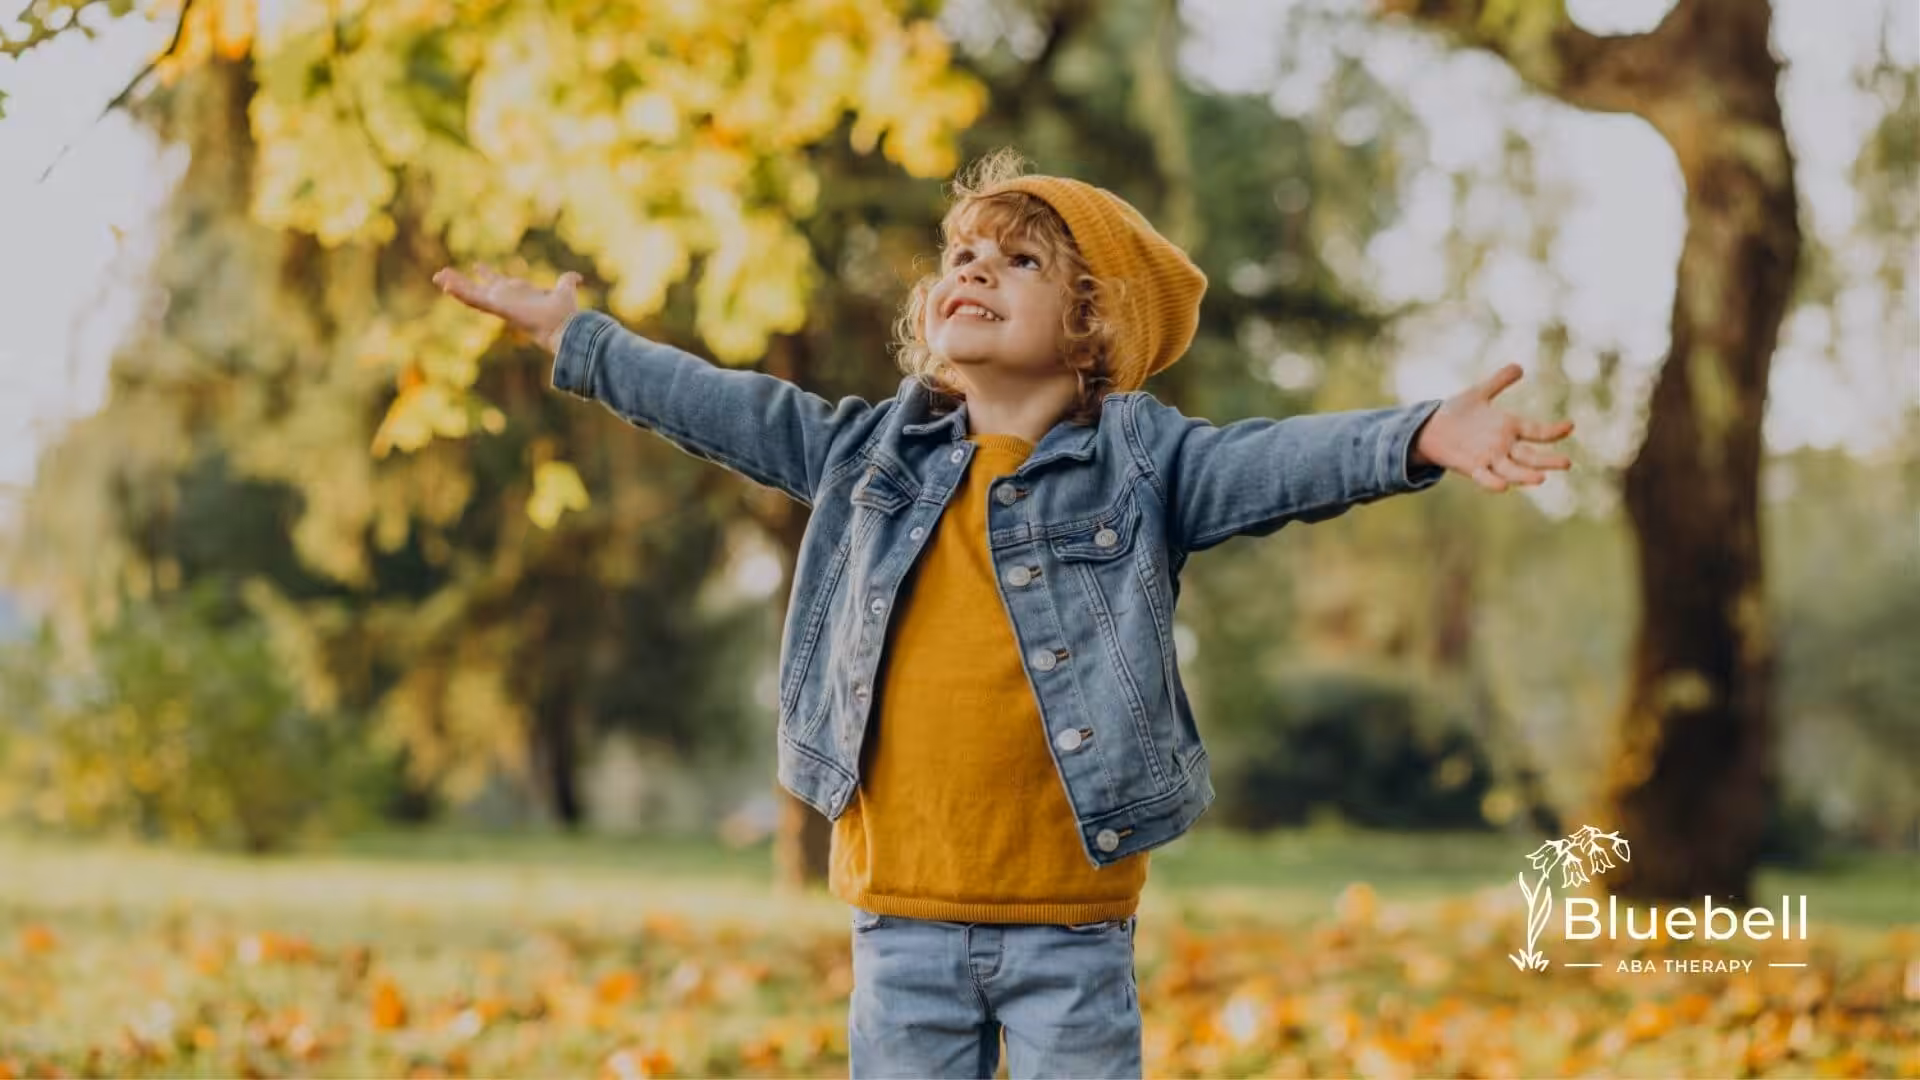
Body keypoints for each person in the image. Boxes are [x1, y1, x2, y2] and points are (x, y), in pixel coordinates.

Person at [433, 148, 1572, 1079]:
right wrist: (575, 338)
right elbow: (723, 405)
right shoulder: (865, 454)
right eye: (962, 256)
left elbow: (1276, 461)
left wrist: (1418, 434)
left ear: (1093, 326)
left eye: (1018, 260)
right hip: (901, 922)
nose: (971, 270)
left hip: (1070, 927)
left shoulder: (1142, 466)